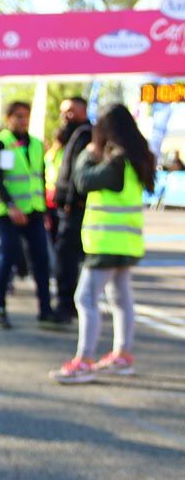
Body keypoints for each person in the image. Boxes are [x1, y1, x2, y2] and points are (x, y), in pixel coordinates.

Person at [50, 105, 153, 384]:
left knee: (86, 297)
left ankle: (84, 361)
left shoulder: (115, 160)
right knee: (120, 297)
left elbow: (83, 181)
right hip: (127, 240)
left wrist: (87, 155)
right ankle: (122, 355)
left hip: (106, 240)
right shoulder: (136, 158)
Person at [0, 101, 55, 330]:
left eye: (26, 116)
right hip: (8, 213)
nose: (23, 120)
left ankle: (45, 310)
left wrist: (44, 211)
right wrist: (12, 207)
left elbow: (39, 178)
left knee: (41, 260)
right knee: (8, 258)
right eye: (18, 116)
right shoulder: (0, 143)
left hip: (33, 211)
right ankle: (0, 308)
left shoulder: (35, 144)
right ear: (9, 117)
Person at [50, 97, 93, 325]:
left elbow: (80, 172)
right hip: (66, 204)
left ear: (83, 109)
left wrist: (71, 199)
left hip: (74, 206)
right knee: (70, 255)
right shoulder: (71, 135)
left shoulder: (86, 134)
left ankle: (66, 305)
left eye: (70, 110)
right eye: (63, 111)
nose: (66, 115)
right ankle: (74, 302)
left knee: (67, 255)